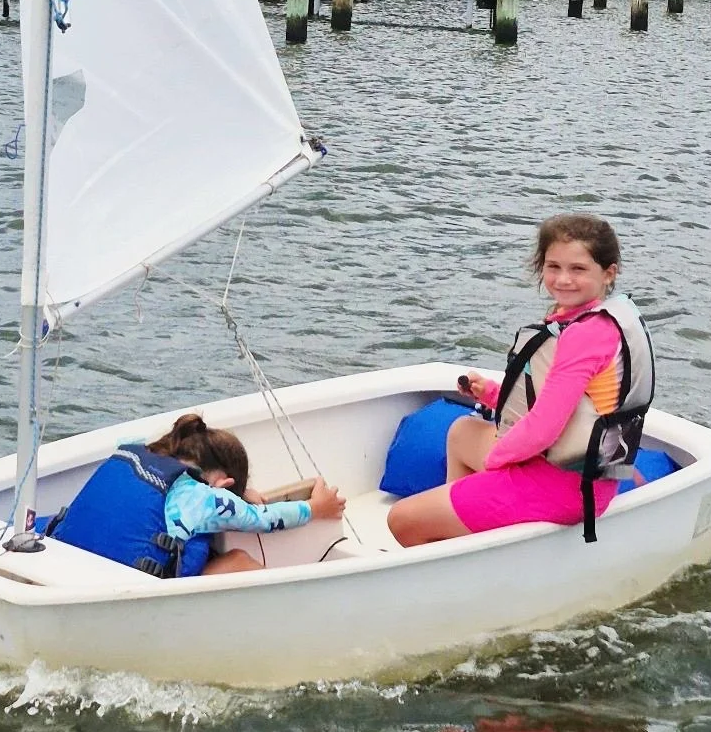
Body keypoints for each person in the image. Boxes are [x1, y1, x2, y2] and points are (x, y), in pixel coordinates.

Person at [387, 214, 653, 548]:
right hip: (581, 472)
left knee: (402, 518)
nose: (563, 279)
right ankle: (463, 541)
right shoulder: (593, 320)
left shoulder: (585, 335)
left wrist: (497, 461)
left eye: (578, 269)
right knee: (462, 433)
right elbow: (561, 401)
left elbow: (544, 428)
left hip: (566, 487)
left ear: (608, 273)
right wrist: (492, 394)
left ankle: (456, 552)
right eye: (554, 266)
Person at [49, 411, 346, 578]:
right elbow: (265, 518)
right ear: (224, 484)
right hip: (130, 590)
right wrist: (316, 507)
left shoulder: (131, 451)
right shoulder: (206, 499)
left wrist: (238, 492)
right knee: (239, 560)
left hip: (65, 563)